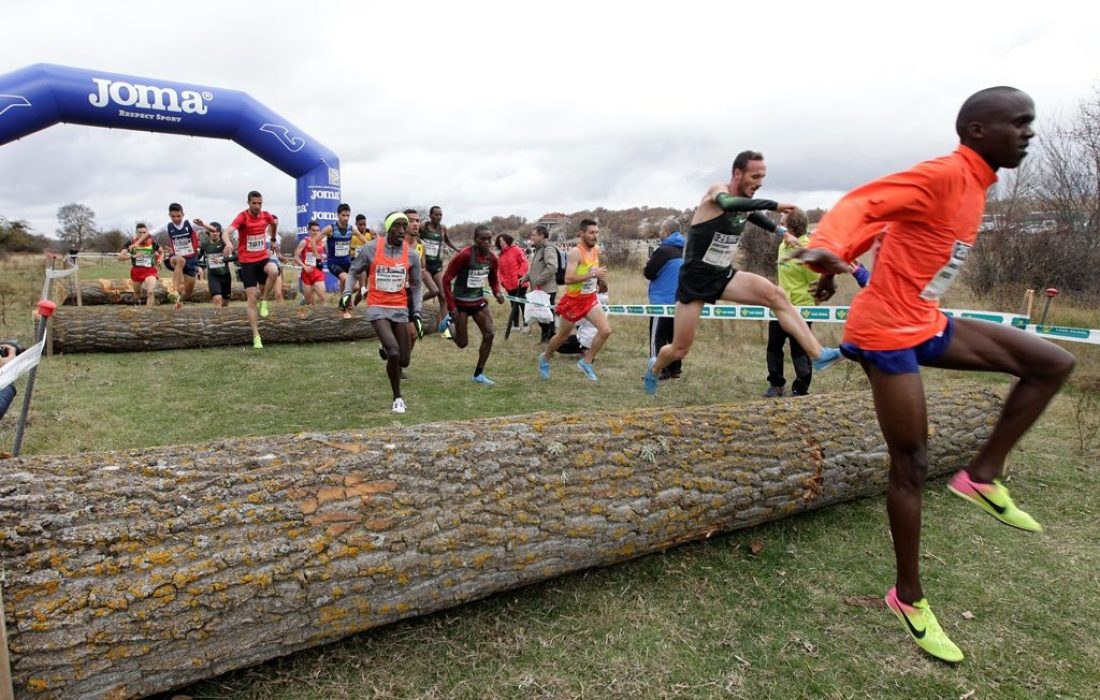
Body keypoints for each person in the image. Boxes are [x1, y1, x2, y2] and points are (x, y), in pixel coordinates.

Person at [793, 86, 1075, 663]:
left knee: (1051, 362)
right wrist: (828, 245)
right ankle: (909, 598)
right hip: (882, 335)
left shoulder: (976, 184)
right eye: (1019, 123)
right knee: (912, 463)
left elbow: (893, 226)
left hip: (924, 320)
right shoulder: (946, 173)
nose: (1029, 133)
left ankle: (983, 475)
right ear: (976, 131)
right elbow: (865, 203)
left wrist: (842, 262)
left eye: (1032, 123)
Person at [644, 150, 842, 395]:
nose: (760, 183)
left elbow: (753, 215)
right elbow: (730, 204)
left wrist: (782, 232)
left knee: (777, 296)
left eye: (763, 177)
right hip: (694, 281)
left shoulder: (745, 205)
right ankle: (655, 367)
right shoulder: (717, 192)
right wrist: (775, 205)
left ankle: (818, 354)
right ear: (738, 173)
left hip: (722, 275)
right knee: (679, 349)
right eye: (755, 176)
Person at [763, 209, 871, 397]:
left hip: (802, 307)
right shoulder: (783, 246)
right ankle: (776, 385)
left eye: (783, 219)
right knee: (773, 347)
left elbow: (817, 281)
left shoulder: (807, 249)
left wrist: (814, 301)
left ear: (791, 225)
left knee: (799, 349)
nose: (780, 220)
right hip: (780, 306)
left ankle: (800, 388)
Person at [340, 212, 423, 413]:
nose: (402, 230)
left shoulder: (411, 254)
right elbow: (353, 271)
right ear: (389, 228)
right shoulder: (371, 248)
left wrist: (417, 313)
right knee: (394, 353)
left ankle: (387, 347)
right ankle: (397, 398)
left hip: (400, 308)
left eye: (405, 226)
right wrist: (347, 293)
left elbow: (417, 286)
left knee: (404, 359)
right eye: (398, 226)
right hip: (377, 306)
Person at [538, 219, 612, 382]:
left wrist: (597, 278)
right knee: (562, 337)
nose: (595, 236)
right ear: (582, 234)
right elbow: (569, 279)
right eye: (591, 233)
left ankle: (586, 361)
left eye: (596, 232)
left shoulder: (596, 250)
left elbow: (591, 272)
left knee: (605, 330)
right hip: (574, 300)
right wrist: (594, 275)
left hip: (590, 298)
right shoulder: (575, 252)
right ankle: (545, 358)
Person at [442, 226, 506, 384]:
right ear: (475, 239)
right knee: (463, 343)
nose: (486, 242)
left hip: (478, 301)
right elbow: (446, 279)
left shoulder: (492, 258)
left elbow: (493, 280)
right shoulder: (464, 255)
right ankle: (447, 326)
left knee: (490, 334)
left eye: (489, 239)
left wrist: (497, 292)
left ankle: (478, 374)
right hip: (461, 303)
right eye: (482, 239)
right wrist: (452, 307)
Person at [223, 191, 279, 348]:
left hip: (262, 258)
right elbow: (227, 232)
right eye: (254, 203)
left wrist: (273, 239)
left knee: (274, 271)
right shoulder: (242, 217)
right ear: (248, 203)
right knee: (252, 297)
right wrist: (228, 243)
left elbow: (274, 223)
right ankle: (256, 336)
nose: (257, 206)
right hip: (247, 262)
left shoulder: (266, 215)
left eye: (259, 203)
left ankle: (265, 300)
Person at [643, 218, 686, 380]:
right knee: (674, 337)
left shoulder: (663, 250)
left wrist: (648, 264)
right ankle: (675, 370)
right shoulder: (688, 249)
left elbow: (649, 273)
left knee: (658, 337)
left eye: (661, 230)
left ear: (667, 232)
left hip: (661, 302)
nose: (660, 233)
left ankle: (658, 369)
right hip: (681, 302)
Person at [155, 203, 212, 309]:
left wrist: (203, 224)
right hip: (176, 258)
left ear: (183, 214)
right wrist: (135, 243)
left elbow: (212, 229)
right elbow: (150, 233)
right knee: (180, 260)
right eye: (173, 216)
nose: (176, 219)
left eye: (178, 216)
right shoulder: (168, 226)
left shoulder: (191, 224)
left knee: (189, 292)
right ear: (169, 215)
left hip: (191, 260)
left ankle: (177, 302)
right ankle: (175, 291)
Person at [521, 225, 559, 342]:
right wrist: (526, 277)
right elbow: (535, 268)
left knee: (547, 316)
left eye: (533, 235)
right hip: (538, 289)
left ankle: (551, 339)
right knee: (540, 315)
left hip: (547, 290)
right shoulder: (538, 249)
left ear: (541, 235)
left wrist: (539, 280)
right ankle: (545, 338)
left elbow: (552, 267)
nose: (531, 237)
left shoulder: (548, 249)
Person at [421, 205, 455, 320]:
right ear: (430, 215)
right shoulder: (423, 226)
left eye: (440, 215)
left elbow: (447, 241)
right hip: (424, 266)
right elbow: (412, 236)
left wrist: (458, 250)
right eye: (436, 214)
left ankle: (444, 327)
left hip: (437, 265)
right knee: (433, 291)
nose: (438, 217)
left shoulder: (443, 228)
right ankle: (415, 302)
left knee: (443, 296)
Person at [118, 223, 161, 307]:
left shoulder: (152, 242)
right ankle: (132, 304)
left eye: (144, 232)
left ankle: (148, 313)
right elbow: (120, 257)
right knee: (137, 294)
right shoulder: (131, 242)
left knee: (150, 292)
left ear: (147, 232)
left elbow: (161, 251)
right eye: (140, 233)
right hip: (136, 271)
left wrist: (158, 259)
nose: (142, 235)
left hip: (150, 271)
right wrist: (132, 256)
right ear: (136, 233)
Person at [495, 232, 529, 337]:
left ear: (508, 240)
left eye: (503, 240)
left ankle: (526, 324)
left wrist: (520, 275)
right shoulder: (500, 255)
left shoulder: (516, 250)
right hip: (509, 285)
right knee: (513, 305)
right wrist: (502, 281)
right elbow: (500, 271)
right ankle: (515, 325)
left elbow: (524, 263)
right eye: (500, 241)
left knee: (523, 304)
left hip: (520, 283)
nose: (502, 243)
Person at [321, 203, 355, 298]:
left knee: (356, 286)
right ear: (338, 215)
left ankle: (343, 299)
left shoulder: (351, 229)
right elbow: (314, 240)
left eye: (347, 215)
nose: (345, 218)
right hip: (334, 263)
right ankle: (344, 302)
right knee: (344, 277)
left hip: (346, 262)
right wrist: (317, 259)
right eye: (343, 215)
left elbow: (364, 240)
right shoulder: (330, 228)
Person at [197, 222, 234, 307]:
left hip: (225, 275)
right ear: (208, 232)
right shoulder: (205, 244)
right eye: (212, 231)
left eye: (217, 231)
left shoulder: (225, 243)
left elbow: (237, 256)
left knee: (225, 303)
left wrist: (223, 260)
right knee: (217, 299)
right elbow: (198, 256)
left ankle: (223, 319)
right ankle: (218, 319)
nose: (215, 233)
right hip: (213, 276)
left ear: (220, 232)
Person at [295, 221, 328, 306]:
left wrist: (323, 257)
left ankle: (323, 317)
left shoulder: (322, 242)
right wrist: (304, 266)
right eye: (313, 230)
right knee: (309, 302)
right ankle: (305, 303)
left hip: (317, 272)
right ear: (308, 231)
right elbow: (296, 257)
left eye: (318, 230)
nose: (316, 232)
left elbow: (326, 254)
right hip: (307, 273)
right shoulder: (304, 242)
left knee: (322, 297)